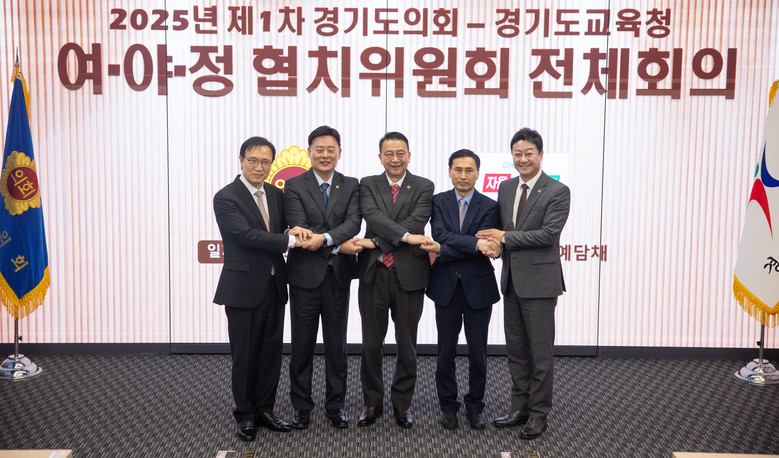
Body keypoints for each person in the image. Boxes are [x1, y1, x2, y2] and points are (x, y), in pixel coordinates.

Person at [213, 136, 310, 441]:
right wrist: (292, 241)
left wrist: (291, 230)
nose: (259, 167)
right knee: (245, 354)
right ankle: (245, 415)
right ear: (240, 160)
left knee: (270, 352)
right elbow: (247, 235)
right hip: (242, 286)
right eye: (253, 160)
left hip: (274, 284)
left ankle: (265, 409)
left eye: (265, 162)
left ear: (271, 164)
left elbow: (277, 227)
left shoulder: (275, 193)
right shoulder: (226, 197)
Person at [477, 128, 570, 440]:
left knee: (540, 354)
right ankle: (519, 408)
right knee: (516, 351)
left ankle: (539, 414)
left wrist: (504, 238)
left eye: (529, 153)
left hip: (541, 284)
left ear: (541, 155)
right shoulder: (505, 188)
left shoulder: (557, 191)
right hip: (512, 282)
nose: (523, 159)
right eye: (517, 153)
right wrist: (494, 246)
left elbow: (547, 235)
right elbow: (501, 230)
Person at [283, 126, 363, 429]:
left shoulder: (351, 184)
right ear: (309, 152)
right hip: (304, 277)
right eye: (319, 149)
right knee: (301, 345)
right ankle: (301, 406)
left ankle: (335, 405)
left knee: (336, 346)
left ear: (339, 152)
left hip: (338, 277)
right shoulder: (294, 185)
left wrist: (325, 239)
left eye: (331, 149)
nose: (325, 155)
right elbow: (299, 226)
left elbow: (353, 223)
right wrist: (335, 243)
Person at [354, 132, 434, 429]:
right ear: (380, 157)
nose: (395, 159)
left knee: (406, 344)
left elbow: (417, 222)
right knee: (371, 344)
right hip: (374, 274)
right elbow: (373, 217)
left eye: (401, 153)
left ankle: (402, 404)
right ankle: (372, 403)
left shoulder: (424, 186)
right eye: (389, 154)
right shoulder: (367, 184)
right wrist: (401, 237)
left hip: (409, 276)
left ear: (409, 156)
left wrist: (376, 242)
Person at [418, 149, 501, 430]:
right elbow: (440, 234)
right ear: (449, 172)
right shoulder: (438, 201)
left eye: (468, 170)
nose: (463, 175)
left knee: (478, 353)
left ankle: (475, 406)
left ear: (477, 173)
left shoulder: (490, 206)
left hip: (479, 288)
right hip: (446, 286)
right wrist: (474, 244)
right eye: (458, 170)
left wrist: (445, 249)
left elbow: (481, 246)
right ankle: (448, 406)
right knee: (445, 352)